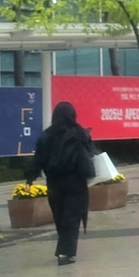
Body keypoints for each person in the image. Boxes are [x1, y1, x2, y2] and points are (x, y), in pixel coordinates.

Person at [27, 100, 97, 266]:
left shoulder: (46, 136)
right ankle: (66, 253)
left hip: (54, 183)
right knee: (72, 217)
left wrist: (30, 178)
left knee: (59, 215)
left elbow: (38, 159)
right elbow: (90, 153)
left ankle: (64, 251)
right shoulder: (80, 132)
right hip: (76, 181)